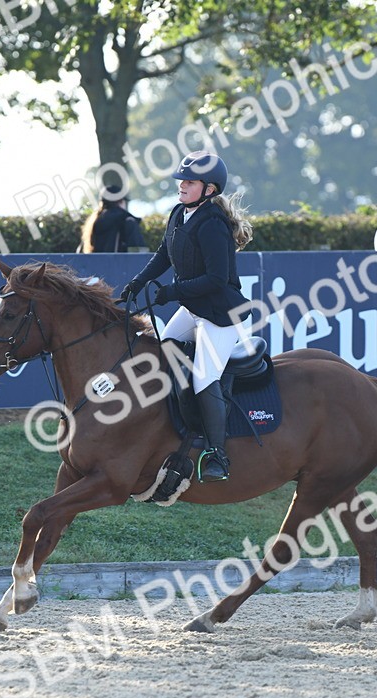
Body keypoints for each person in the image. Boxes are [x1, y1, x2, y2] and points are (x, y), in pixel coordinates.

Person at [119, 151, 253, 483]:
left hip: (220, 315)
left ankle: (216, 453)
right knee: (161, 350)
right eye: (181, 181)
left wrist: (171, 292)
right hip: (195, 310)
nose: (182, 186)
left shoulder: (213, 226)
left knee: (204, 377)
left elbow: (216, 280)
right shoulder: (180, 213)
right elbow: (164, 253)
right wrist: (140, 280)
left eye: (189, 182)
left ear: (209, 190)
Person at [80, 185, 146, 253]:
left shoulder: (93, 223)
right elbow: (139, 253)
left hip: (96, 263)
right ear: (121, 202)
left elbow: (80, 254)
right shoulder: (128, 221)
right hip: (120, 263)